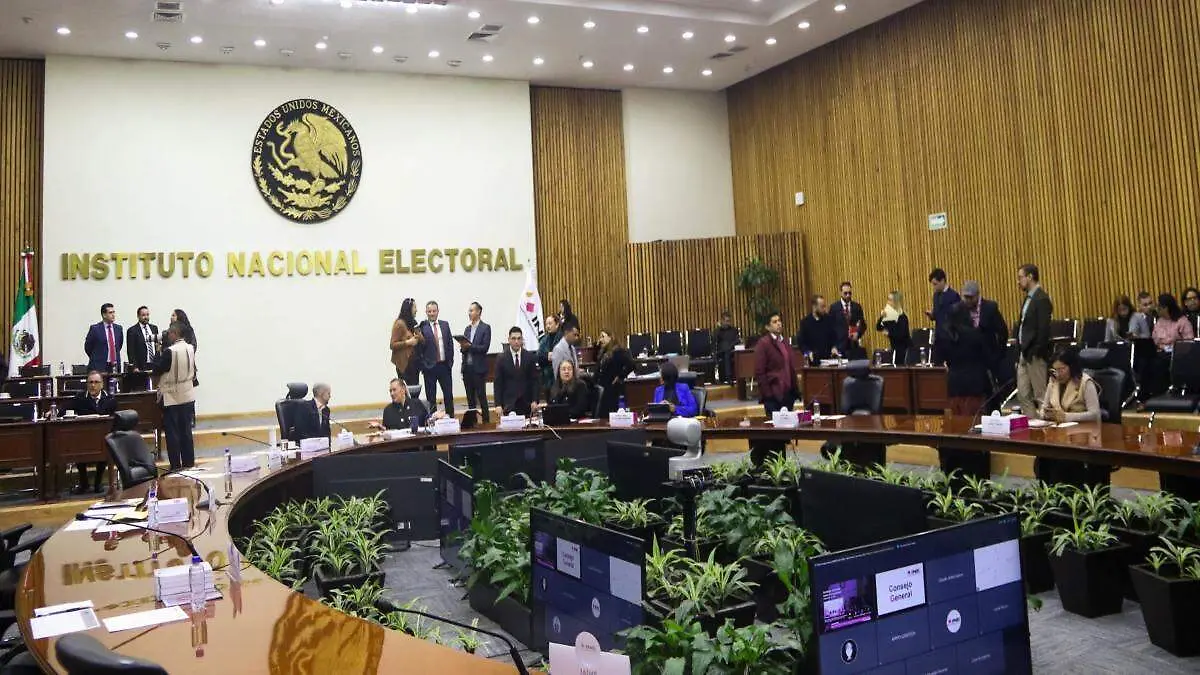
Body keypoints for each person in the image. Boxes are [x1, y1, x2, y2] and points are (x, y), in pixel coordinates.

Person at [1035, 351, 1108, 487]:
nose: (1058, 373)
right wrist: (1045, 414)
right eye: (1055, 370)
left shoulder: (1085, 382)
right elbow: (1044, 408)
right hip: (1057, 435)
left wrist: (1066, 417)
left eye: (1062, 369)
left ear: (1071, 367)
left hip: (1081, 436)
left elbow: (1095, 414)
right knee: (1043, 457)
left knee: (1063, 460)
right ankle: (1047, 493)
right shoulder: (1053, 382)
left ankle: (1066, 493)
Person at [939, 304, 993, 481]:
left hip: (954, 387)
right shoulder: (975, 335)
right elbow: (987, 358)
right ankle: (976, 471)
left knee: (957, 429)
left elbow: (941, 358)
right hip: (974, 386)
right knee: (975, 429)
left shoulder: (944, 335)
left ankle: (958, 471)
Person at [752, 312, 799, 465]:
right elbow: (759, 372)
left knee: (784, 435)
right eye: (774, 321)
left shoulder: (784, 342)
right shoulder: (763, 344)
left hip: (787, 394)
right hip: (773, 395)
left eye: (779, 320)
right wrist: (768, 394)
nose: (779, 323)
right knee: (775, 436)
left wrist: (795, 391)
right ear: (767, 326)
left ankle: (782, 466)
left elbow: (790, 367)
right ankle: (774, 466)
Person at [151, 322, 197, 470]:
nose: (168, 335)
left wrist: (157, 352)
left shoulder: (170, 351)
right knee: (186, 432)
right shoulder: (190, 348)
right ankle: (189, 464)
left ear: (175, 334)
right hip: (188, 394)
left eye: (170, 333)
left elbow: (157, 369)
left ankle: (176, 466)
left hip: (172, 396)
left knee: (173, 433)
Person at [1012, 264, 1052, 418]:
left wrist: (1037, 350)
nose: (1018, 281)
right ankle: (1033, 425)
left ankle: (1047, 427)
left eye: (1020, 277)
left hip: (1035, 354)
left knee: (1041, 396)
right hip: (1024, 353)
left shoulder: (1041, 299)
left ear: (1030, 277)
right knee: (1023, 395)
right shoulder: (1028, 299)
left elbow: (1043, 329)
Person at [70, 370, 116, 493]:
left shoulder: (110, 399)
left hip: (102, 438)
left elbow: (114, 419)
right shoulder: (80, 398)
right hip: (83, 437)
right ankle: (84, 483)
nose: (93, 385)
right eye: (90, 382)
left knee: (105, 446)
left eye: (96, 382)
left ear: (102, 384)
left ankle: (98, 483)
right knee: (77, 446)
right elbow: (65, 408)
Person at [960, 280, 1010, 384]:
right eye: (965, 297)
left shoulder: (990, 308)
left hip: (989, 360)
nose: (968, 300)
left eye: (970, 297)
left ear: (977, 295)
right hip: (969, 362)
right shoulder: (960, 309)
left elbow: (1003, 332)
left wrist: (998, 355)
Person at [418, 301, 455, 415]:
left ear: (438, 311)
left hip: (444, 366)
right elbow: (419, 348)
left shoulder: (445, 325)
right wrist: (423, 365)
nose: (432, 313)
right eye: (429, 311)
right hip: (429, 368)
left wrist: (450, 362)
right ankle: (433, 421)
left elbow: (450, 344)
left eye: (434, 311)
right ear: (426, 312)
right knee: (431, 398)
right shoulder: (422, 327)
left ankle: (451, 418)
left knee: (448, 395)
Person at [492, 327, 539, 416]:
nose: (516, 341)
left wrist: (535, 400)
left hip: (526, 404)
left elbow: (534, 381)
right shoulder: (501, 358)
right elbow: (498, 383)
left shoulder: (529, 357)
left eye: (519, 338)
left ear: (522, 340)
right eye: (513, 338)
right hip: (508, 404)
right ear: (509, 340)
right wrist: (498, 404)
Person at [459, 302, 491, 423]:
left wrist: (470, 346)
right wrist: (463, 347)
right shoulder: (467, 329)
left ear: (478, 312)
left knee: (481, 397)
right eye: (469, 310)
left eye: (472, 310)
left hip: (478, 369)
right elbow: (464, 349)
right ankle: (473, 423)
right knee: (470, 399)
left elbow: (484, 348)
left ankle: (486, 422)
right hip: (467, 368)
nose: (469, 313)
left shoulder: (485, 328)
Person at [594, 329, 634, 414]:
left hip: (614, 390)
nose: (600, 340)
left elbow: (631, 364)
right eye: (600, 337)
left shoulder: (618, 351)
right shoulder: (603, 351)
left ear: (610, 337)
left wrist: (620, 376)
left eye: (603, 337)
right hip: (603, 390)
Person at [926, 268, 961, 365]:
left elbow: (958, 316)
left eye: (935, 284)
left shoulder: (954, 296)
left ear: (942, 281)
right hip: (939, 337)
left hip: (950, 338)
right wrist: (932, 315)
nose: (934, 287)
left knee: (952, 365)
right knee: (937, 365)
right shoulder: (935, 296)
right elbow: (937, 314)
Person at [829, 282, 867, 360]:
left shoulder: (857, 307)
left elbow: (863, 325)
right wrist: (833, 346)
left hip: (853, 347)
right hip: (839, 347)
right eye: (845, 293)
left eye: (850, 293)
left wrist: (858, 333)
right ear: (841, 293)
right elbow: (830, 329)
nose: (848, 295)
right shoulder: (834, 308)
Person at [389, 298, 422, 385]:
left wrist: (418, 335)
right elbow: (392, 345)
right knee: (406, 390)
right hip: (404, 365)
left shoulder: (413, 322)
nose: (416, 310)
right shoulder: (399, 324)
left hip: (414, 364)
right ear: (409, 309)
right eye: (415, 307)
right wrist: (408, 342)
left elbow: (421, 340)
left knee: (414, 389)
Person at [84, 303, 123, 373]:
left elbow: (119, 345)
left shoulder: (118, 328)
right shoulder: (95, 329)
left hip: (114, 366)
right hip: (99, 366)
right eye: (110, 313)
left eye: (114, 312)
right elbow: (88, 347)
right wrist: (96, 358)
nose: (113, 315)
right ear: (104, 315)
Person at [796, 295, 836, 362]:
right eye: (822, 307)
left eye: (825, 306)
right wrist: (808, 352)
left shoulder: (829, 319)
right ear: (814, 307)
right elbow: (802, 343)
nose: (825, 309)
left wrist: (834, 347)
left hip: (828, 360)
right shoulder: (805, 322)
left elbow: (834, 338)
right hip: (813, 361)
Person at [875, 290, 911, 364]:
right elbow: (878, 327)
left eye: (890, 300)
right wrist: (881, 317)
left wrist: (889, 333)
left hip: (905, 350)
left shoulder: (902, 317)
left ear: (896, 302)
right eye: (888, 299)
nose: (888, 302)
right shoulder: (889, 316)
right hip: (895, 349)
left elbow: (902, 335)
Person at [125, 306, 159, 372]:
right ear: (138, 316)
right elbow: (130, 351)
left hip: (154, 364)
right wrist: (134, 367)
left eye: (147, 315)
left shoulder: (154, 328)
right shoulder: (132, 331)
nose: (146, 317)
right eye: (143, 315)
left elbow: (156, 345)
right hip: (141, 366)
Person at [537, 315, 563, 399]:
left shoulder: (562, 338)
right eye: (546, 324)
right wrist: (547, 356)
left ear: (557, 324)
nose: (548, 326)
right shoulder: (543, 340)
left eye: (550, 323)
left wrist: (555, 355)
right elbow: (538, 356)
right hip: (547, 378)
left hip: (560, 377)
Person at [712, 311, 741, 384]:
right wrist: (719, 328)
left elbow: (737, 340)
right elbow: (714, 343)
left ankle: (733, 378)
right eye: (726, 321)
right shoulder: (718, 331)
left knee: (728, 351)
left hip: (732, 351)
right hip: (721, 352)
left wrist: (730, 346)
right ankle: (728, 378)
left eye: (729, 321)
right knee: (726, 351)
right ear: (721, 321)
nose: (727, 323)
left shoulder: (734, 330)